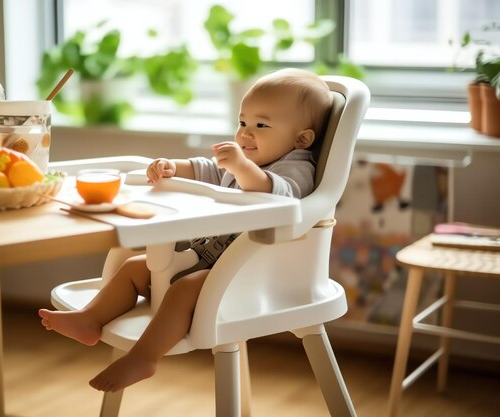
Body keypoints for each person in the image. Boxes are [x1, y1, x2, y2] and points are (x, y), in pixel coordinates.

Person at [38, 68, 334, 393]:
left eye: (261, 125)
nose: (246, 134)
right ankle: (89, 318)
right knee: (135, 268)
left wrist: (241, 167)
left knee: (183, 290)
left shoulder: (296, 167)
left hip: (255, 275)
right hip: (209, 259)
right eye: (242, 123)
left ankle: (145, 357)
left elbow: (278, 195)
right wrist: (171, 167)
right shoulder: (251, 160)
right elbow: (205, 169)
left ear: (302, 138)